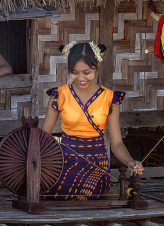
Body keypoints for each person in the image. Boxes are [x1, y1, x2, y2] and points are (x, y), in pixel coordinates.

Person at [41, 41, 144, 200]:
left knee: (84, 188)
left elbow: (116, 143)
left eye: (86, 72)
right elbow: (43, 138)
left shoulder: (110, 98)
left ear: (98, 66)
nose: (81, 78)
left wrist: (130, 162)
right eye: (75, 72)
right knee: (47, 183)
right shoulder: (59, 96)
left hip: (96, 166)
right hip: (64, 163)